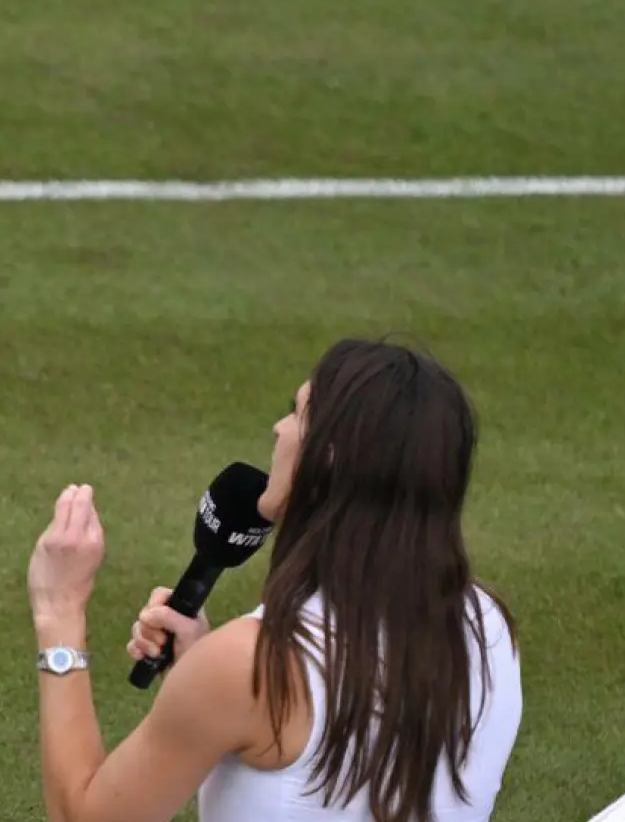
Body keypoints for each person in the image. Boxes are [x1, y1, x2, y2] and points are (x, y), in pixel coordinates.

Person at [26, 337, 523, 822]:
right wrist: (202, 669)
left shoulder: (250, 666)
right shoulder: (490, 626)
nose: (279, 428)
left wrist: (60, 612)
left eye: (298, 412)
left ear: (326, 457)